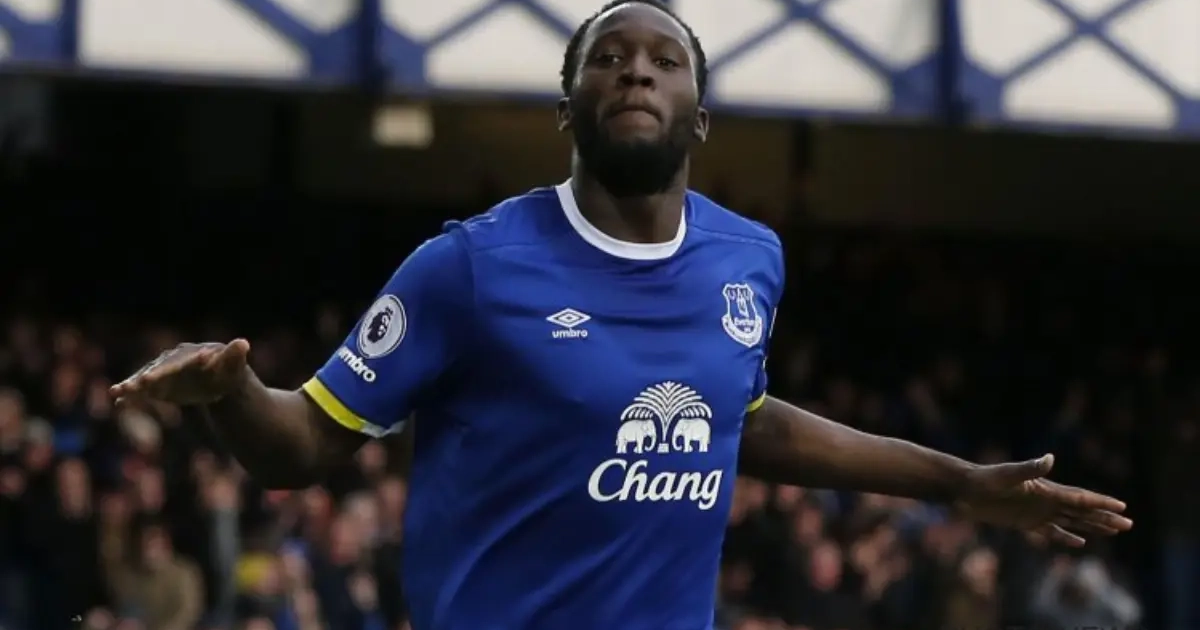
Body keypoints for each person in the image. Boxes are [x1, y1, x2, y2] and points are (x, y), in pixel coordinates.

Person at [109, 1, 1133, 628]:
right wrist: (233, 390)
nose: (636, 67)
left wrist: (958, 484)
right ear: (567, 109)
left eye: (663, 59)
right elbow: (298, 449)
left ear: (700, 115)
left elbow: (741, 418)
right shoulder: (468, 268)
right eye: (608, 56)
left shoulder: (750, 259)